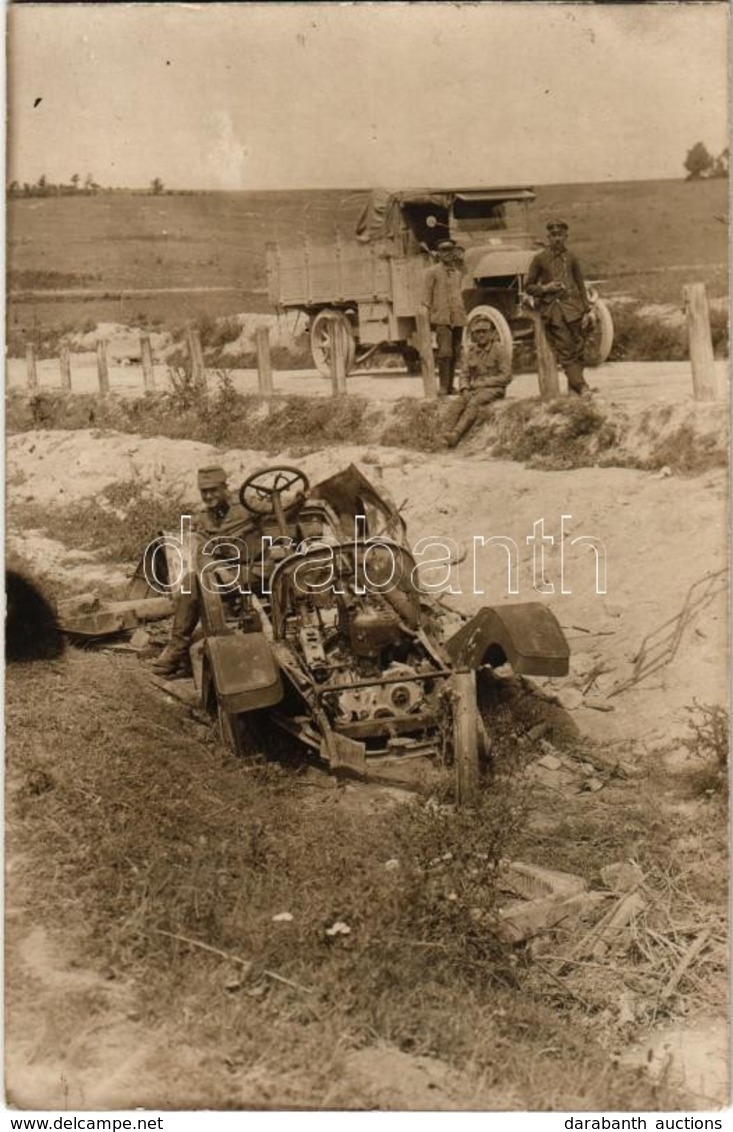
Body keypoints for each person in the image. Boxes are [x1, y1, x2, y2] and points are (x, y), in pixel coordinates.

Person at [151, 465, 251, 676]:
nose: (209, 496)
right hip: (224, 578)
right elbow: (203, 553)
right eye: (204, 492)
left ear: (226, 488)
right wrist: (218, 568)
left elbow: (284, 509)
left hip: (254, 573)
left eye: (213, 490)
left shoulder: (248, 508)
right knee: (191, 582)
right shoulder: (202, 519)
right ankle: (176, 647)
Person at [525, 218, 595, 396]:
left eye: (560, 235)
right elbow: (529, 286)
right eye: (553, 235)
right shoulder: (540, 259)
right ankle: (582, 387)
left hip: (574, 309)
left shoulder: (571, 258)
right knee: (566, 351)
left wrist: (587, 310)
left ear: (566, 237)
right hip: (554, 311)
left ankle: (574, 389)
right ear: (548, 237)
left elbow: (580, 284)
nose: (557, 239)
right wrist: (545, 288)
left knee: (579, 349)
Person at [443, 317, 512, 447]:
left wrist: (484, 383)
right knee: (459, 402)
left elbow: (507, 376)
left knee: (474, 402)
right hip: (476, 389)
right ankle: (445, 433)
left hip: (494, 389)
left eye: (484, 331)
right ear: (473, 334)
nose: (481, 335)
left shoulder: (499, 350)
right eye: (478, 332)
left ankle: (456, 435)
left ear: (492, 333)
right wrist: (464, 389)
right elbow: (464, 374)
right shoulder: (471, 351)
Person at [422, 239, 467, 396]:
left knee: (455, 351)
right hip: (442, 318)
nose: (448, 253)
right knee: (445, 352)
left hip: (458, 318)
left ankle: (450, 387)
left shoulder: (458, 273)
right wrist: (427, 320)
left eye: (450, 250)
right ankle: (443, 387)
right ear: (439, 253)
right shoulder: (432, 272)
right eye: (444, 250)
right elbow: (426, 298)